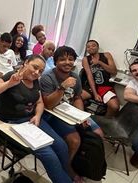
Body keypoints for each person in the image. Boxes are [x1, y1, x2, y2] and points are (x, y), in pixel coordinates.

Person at [0, 54, 72, 183]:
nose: (36, 73)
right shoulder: (11, 76)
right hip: (13, 124)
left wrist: (37, 116)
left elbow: (40, 103)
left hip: (32, 121)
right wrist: (9, 83)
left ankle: (69, 175)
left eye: (40, 71)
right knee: (50, 156)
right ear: (26, 63)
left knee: (62, 145)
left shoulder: (35, 81)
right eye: (34, 67)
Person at [40, 46, 104, 182]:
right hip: (53, 114)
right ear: (55, 61)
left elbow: (77, 98)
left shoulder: (75, 76)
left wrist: (81, 116)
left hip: (70, 111)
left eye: (70, 59)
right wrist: (62, 87)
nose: (67, 62)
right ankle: (67, 167)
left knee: (98, 133)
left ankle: (83, 163)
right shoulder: (47, 77)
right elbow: (48, 105)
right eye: (62, 59)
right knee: (74, 140)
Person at [81, 40, 119, 116]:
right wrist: (95, 94)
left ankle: (105, 123)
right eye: (88, 47)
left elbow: (114, 71)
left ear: (98, 47)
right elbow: (89, 76)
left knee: (115, 106)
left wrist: (99, 62)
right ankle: (82, 118)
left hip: (105, 87)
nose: (90, 47)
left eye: (93, 45)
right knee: (76, 98)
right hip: (90, 87)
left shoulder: (106, 55)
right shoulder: (85, 59)